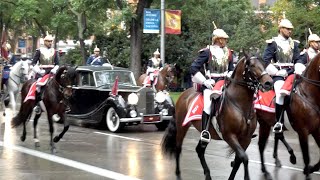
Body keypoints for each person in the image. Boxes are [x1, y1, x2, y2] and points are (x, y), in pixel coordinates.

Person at [190, 24, 235, 143]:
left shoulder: (229, 52)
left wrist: (230, 74)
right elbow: (194, 68)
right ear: (218, 39)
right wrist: (204, 81)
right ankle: (205, 131)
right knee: (208, 105)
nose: (225, 41)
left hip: (226, 82)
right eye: (224, 39)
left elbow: (231, 68)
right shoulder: (207, 52)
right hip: (211, 83)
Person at [262, 17, 300, 133]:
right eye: (288, 29)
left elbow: (298, 59)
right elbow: (265, 61)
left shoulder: (294, 44)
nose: (290, 31)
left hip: (292, 73)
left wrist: (298, 68)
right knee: (280, 93)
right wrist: (277, 72)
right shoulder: (273, 43)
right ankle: (279, 122)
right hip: (278, 74)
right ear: (281, 29)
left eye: (291, 29)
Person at [30, 34, 60, 114]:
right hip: (42, 72)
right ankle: (37, 105)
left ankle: (62, 104)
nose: (50, 43)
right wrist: (39, 71)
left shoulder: (54, 51)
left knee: (60, 85)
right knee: (38, 86)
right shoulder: (39, 51)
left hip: (52, 72)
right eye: (48, 41)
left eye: (51, 41)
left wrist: (54, 69)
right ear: (45, 42)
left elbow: (57, 64)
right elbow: (33, 64)